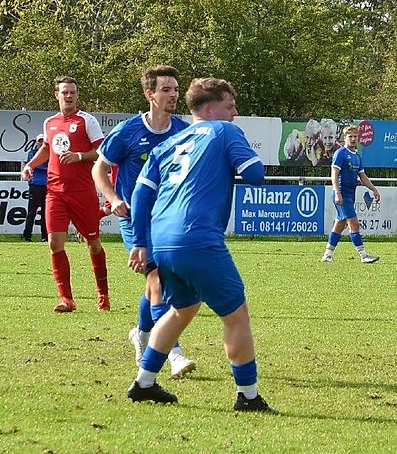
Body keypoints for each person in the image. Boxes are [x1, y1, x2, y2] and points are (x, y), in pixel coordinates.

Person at [125, 77, 274, 412]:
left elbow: (140, 193)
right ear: (210, 109)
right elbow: (254, 174)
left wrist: (139, 242)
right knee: (236, 317)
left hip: (162, 240)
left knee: (181, 310)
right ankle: (248, 396)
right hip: (198, 238)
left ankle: (144, 383)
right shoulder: (224, 132)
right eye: (230, 106)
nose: (235, 114)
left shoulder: (168, 144)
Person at [93, 65, 196, 377]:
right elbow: (99, 169)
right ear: (150, 94)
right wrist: (113, 199)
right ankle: (173, 353)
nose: (173, 95)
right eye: (166, 89)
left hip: (167, 219)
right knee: (157, 281)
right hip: (134, 221)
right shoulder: (127, 131)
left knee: (161, 283)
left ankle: (141, 331)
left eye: (176, 89)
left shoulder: (183, 131)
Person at [20, 76, 109, 313]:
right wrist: (30, 165)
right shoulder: (49, 122)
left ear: (77, 95)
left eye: (72, 92)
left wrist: (79, 156)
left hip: (82, 192)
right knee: (54, 242)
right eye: (64, 92)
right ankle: (66, 299)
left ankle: (103, 294)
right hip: (55, 192)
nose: (68, 96)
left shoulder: (86, 121)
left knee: (93, 244)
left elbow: (101, 150)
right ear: (56, 95)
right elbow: (48, 149)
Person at [321, 125, 380, 264]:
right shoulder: (341, 153)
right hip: (342, 194)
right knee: (354, 223)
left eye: (355, 137)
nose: (353, 139)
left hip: (350, 195)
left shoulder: (357, 157)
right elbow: (334, 174)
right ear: (345, 138)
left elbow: (363, 176)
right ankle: (363, 255)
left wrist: (374, 189)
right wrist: (337, 193)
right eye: (350, 137)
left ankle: (327, 255)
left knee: (340, 225)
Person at [22, 134, 49, 242]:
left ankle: (45, 236)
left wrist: (38, 165)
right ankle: (27, 235)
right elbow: (34, 165)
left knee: (45, 212)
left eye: (43, 140)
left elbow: (38, 165)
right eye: (40, 141)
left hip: (47, 186)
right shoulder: (32, 153)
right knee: (31, 212)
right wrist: (42, 165)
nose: (41, 142)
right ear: (37, 142)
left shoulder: (49, 153)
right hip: (35, 185)